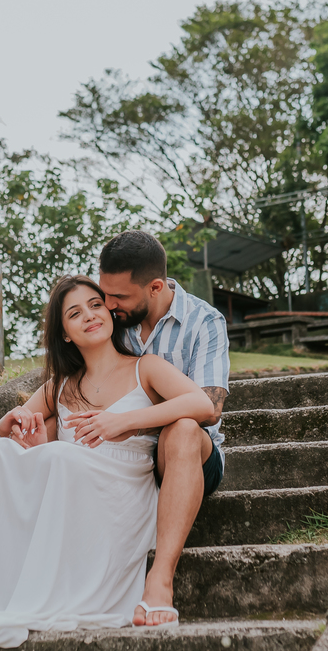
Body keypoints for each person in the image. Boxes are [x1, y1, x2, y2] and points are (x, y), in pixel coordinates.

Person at [0, 275, 214, 647]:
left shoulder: (145, 367)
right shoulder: (58, 386)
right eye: (75, 313)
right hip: (70, 488)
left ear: (109, 312)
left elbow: (202, 404)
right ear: (66, 333)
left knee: (57, 454)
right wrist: (2, 427)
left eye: (95, 305)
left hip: (123, 490)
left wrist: (122, 421)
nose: (89, 315)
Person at [96, 230, 230, 627]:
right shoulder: (111, 320)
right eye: (105, 292)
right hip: (119, 458)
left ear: (155, 287)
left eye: (119, 296)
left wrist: (130, 420)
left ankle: (160, 582)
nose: (108, 304)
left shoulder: (204, 321)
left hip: (190, 457)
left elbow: (210, 408)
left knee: (185, 428)